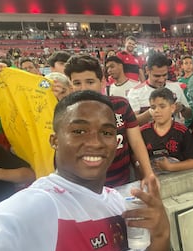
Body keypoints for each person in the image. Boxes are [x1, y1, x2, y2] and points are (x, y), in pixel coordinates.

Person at [0, 90, 170, 251]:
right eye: (79, 131)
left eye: (107, 133)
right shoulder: (33, 209)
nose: (95, 142)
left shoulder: (119, 202)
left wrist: (161, 235)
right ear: (55, 141)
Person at [64, 54, 153, 186]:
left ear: (102, 82)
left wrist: (148, 174)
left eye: (90, 82)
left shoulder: (121, 105)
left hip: (123, 182)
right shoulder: (66, 114)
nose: (83, 88)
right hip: (86, 187)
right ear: (71, 86)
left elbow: (136, 142)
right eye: (77, 83)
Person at [140, 88, 193, 174]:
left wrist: (170, 167)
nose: (157, 111)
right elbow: (136, 162)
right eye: (153, 107)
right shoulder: (143, 132)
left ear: (172, 108)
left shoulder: (182, 132)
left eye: (162, 106)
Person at [128, 51, 192, 125]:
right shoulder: (135, 92)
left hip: (176, 134)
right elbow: (133, 122)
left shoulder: (176, 87)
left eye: (164, 75)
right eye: (157, 76)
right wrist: (152, 112)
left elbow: (189, 115)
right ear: (147, 70)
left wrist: (182, 108)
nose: (161, 80)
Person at [178, 55, 193, 128]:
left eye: (190, 63)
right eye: (186, 63)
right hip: (185, 110)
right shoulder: (179, 81)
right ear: (182, 66)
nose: (188, 65)